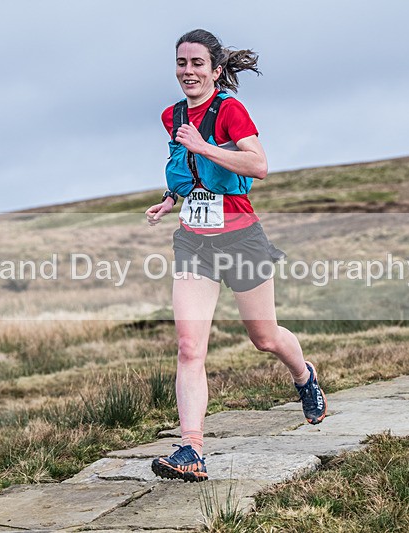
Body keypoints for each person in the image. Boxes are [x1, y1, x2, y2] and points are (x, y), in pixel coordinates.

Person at [145, 30, 326, 483]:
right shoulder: (172, 115)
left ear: (215, 69)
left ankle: (304, 375)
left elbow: (259, 165)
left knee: (264, 338)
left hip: (241, 239)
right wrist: (170, 198)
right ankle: (192, 449)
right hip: (194, 241)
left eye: (197, 63)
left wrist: (204, 146)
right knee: (189, 347)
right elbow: (188, 169)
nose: (188, 71)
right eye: (181, 63)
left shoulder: (229, 110)